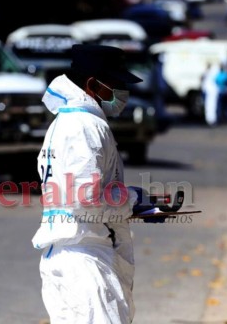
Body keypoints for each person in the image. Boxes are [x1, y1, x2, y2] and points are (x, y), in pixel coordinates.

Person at [32, 44, 143, 323]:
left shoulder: (65, 124)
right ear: (93, 84)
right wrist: (134, 202)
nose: (122, 93)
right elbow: (85, 201)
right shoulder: (85, 126)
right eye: (115, 84)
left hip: (68, 257)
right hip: (85, 264)